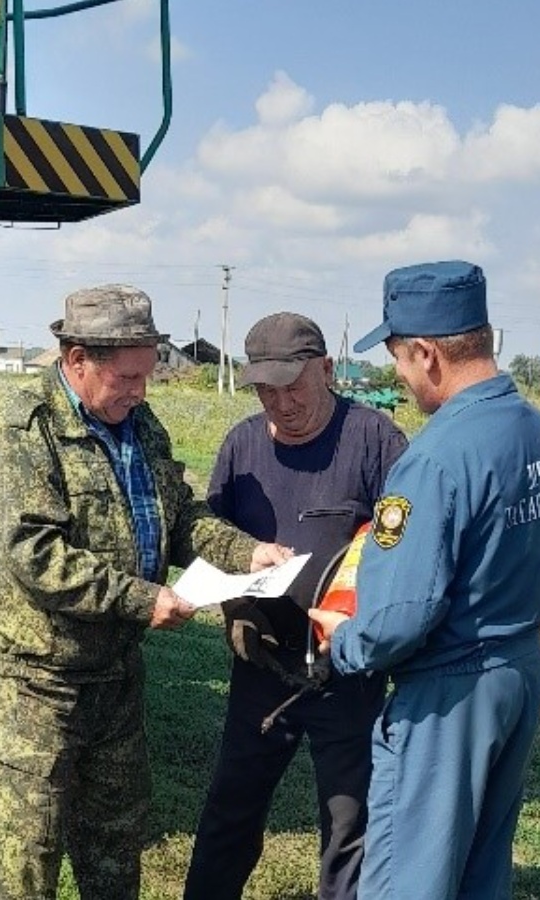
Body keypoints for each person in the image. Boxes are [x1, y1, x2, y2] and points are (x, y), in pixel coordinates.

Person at [0, 284, 291, 900]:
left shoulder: (140, 425)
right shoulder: (23, 435)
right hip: (43, 685)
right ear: (76, 361)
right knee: (20, 856)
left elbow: (179, 516)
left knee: (116, 843)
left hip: (118, 679)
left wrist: (244, 551)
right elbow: (36, 557)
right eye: (127, 377)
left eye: (148, 374)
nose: (140, 391)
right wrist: (145, 601)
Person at [307, 261, 540, 900]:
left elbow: (398, 619)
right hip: (521, 672)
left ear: (427, 354)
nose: (399, 377)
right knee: (480, 870)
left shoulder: (432, 459)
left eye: (400, 359)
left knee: (410, 878)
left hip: (449, 694)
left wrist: (342, 641)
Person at [184, 313, 409, 900]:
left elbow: (401, 552)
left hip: (348, 670)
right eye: (265, 390)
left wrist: (365, 629)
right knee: (230, 810)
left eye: (294, 387)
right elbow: (213, 540)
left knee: (348, 825)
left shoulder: (376, 441)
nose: (281, 404)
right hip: (264, 667)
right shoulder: (241, 446)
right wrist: (238, 609)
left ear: (328, 370)